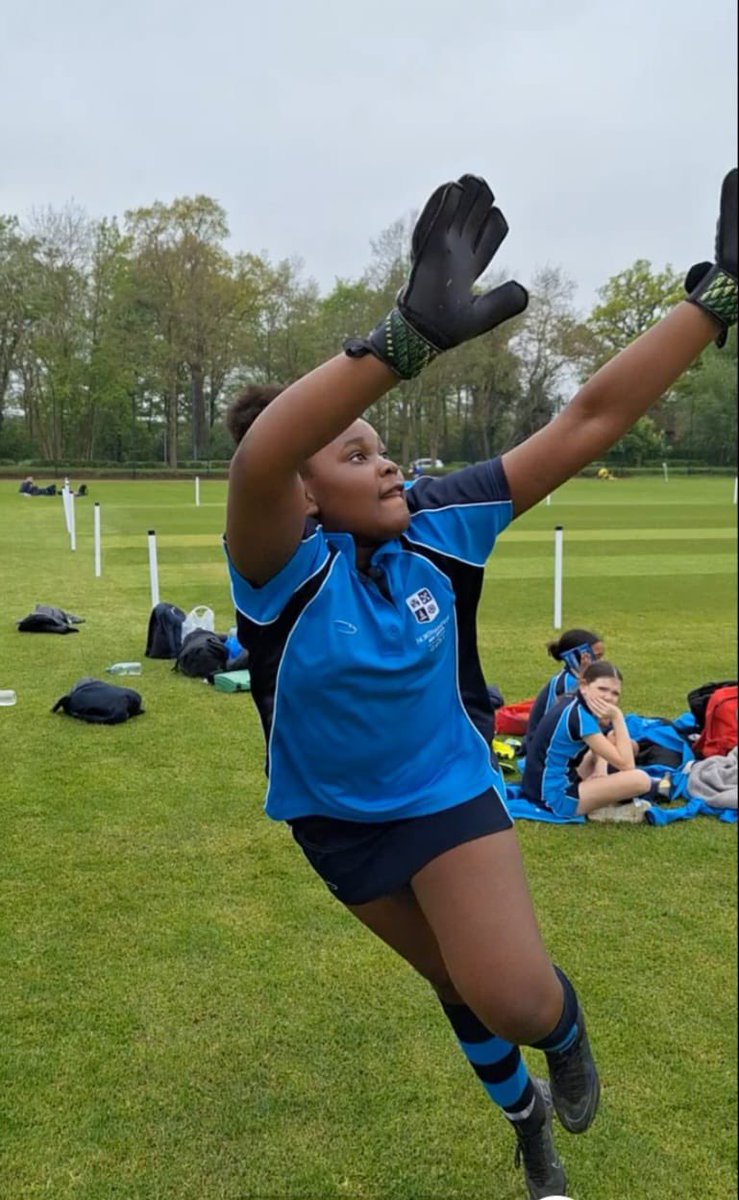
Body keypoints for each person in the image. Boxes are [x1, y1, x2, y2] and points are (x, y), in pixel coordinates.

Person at [224, 170, 737, 1199]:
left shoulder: (443, 523)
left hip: (446, 793)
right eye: (354, 453)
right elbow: (266, 454)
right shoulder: (278, 564)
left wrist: (716, 300)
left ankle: (564, 1025)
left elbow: (589, 418)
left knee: (508, 995)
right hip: (333, 820)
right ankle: (526, 1124)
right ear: (305, 496)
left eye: (382, 449)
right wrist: (404, 336)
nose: (384, 466)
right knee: (448, 981)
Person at [521, 660, 669, 822]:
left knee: (614, 738)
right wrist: (617, 716)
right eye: (602, 689)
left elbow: (605, 741)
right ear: (584, 686)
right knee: (640, 779)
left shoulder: (573, 702)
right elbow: (627, 766)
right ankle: (603, 811)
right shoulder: (580, 717)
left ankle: (601, 794)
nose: (608, 697)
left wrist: (601, 771)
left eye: (615, 693)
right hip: (553, 798)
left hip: (539, 784)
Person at [523, 628, 604, 753]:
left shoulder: (581, 679)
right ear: (579, 657)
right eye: (597, 657)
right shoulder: (566, 683)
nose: (602, 662)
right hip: (548, 748)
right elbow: (567, 723)